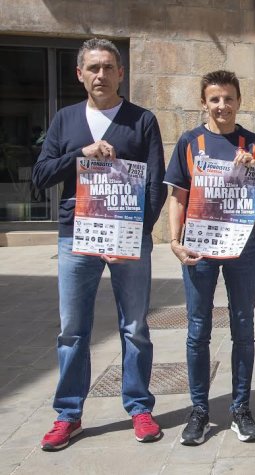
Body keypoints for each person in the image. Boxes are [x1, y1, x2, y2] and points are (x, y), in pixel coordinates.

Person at [32, 38, 166, 450]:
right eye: (93, 68)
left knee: (135, 326)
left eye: (109, 67)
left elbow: (155, 185)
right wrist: (81, 153)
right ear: (80, 74)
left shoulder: (141, 120)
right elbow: (41, 176)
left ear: (121, 72)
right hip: (77, 237)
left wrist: (132, 234)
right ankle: (68, 414)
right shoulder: (66, 120)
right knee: (73, 329)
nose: (101, 75)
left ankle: (139, 407)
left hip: (127, 239)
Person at [165, 70, 255, 446]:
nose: (222, 106)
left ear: (239, 101)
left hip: (243, 246)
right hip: (200, 246)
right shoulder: (190, 142)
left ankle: (241, 409)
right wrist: (174, 240)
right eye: (214, 99)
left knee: (243, 327)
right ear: (204, 102)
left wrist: (252, 173)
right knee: (198, 329)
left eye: (228, 98)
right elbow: (178, 195)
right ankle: (198, 410)